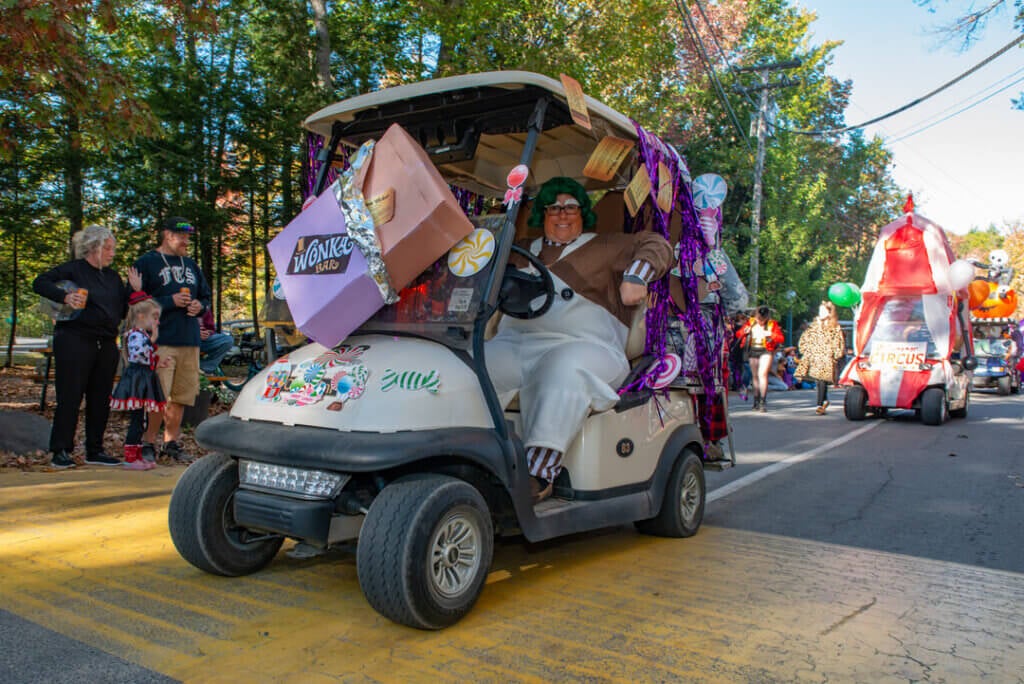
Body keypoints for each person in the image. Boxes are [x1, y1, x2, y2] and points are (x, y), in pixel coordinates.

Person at [486, 177, 673, 503]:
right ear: (542, 213)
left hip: (586, 345)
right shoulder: (518, 250)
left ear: (582, 212)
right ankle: (466, 458)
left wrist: (636, 275)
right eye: (553, 207)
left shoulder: (606, 245)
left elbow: (657, 245)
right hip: (516, 342)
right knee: (473, 366)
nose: (562, 214)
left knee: (564, 369)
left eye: (570, 207)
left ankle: (538, 473)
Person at [33, 225, 139, 469]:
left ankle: (95, 449)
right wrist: (64, 296)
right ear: (94, 248)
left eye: (113, 248)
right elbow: (39, 282)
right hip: (75, 338)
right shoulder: (73, 269)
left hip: (106, 341)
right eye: (108, 248)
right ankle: (61, 449)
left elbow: (122, 310)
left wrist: (133, 290)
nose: (112, 253)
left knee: (100, 397)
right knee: (70, 395)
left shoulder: (113, 277)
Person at [132, 216, 212, 463]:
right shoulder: (146, 263)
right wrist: (169, 301)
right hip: (161, 340)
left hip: (189, 339)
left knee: (181, 396)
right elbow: (135, 303)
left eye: (188, 237)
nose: (186, 241)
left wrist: (199, 306)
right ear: (167, 235)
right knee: (158, 396)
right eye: (182, 236)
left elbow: (206, 297)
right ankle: (147, 442)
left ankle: (171, 442)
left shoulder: (191, 265)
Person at [110, 292, 166, 470]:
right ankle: (130, 457)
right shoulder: (135, 335)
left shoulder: (141, 335)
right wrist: (153, 339)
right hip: (137, 380)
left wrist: (158, 361)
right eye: (154, 317)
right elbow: (138, 354)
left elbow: (146, 356)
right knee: (137, 419)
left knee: (141, 419)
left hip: (144, 378)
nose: (157, 322)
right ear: (141, 316)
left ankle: (138, 454)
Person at [796, 301, 847, 414]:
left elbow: (839, 342)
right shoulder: (814, 325)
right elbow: (805, 338)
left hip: (827, 356)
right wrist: (805, 350)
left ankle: (819, 404)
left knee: (822, 379)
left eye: (823, 311)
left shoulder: (835, 327)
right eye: (820, 311)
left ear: (829, 313)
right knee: (819, 380)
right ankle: (824, 400)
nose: (821, 313)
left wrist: (836, 355)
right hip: (815, 356)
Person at [736, 306, 784, 412]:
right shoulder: (751, 322)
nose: (761, 322)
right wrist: (745, 331)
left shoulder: (772, 324)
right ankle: (756, 400)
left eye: (763, 320)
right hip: (753, 349)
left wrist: (771, 334)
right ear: (756, 316)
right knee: (755, 376)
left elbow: (781, 338)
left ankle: (763, 400)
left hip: (766, 350)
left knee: (762, 374)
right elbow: (738, 334)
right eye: (759, 319)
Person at [199, 308, 234, 374]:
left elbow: (211, 329)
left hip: (204, 341)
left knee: (228, 340)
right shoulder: (180, 309)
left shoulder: (204, 307)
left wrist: (207, 333)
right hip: (186, 340)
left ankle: (205, 367)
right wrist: (195, 334)